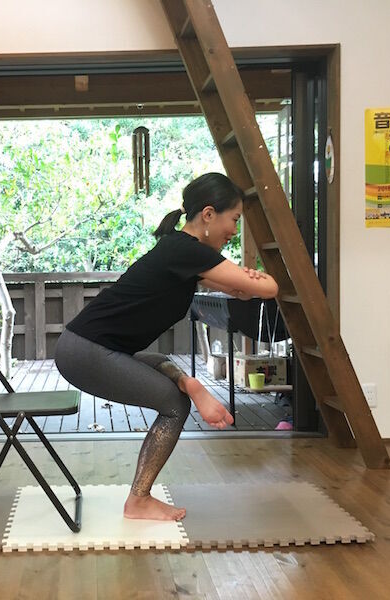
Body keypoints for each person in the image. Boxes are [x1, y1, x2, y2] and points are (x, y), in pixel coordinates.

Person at [54, 173, 279, 521]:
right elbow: (268, 289)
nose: (234, 231)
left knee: (160, 361)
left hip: (84, 347)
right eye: (234, 219)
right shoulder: (188, 251)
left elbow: (243, 291)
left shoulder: (183, 253)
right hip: (86, 352)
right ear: (208, 214)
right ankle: (138, 500)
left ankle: (190, 383)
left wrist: (244, 283)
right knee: (174, 405)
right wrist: (255, 279)